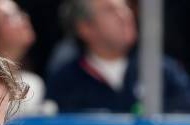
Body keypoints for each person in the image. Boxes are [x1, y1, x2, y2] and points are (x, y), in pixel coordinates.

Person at [46, 0, 190, 113]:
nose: (125, 15)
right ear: (85, 28)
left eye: (126, 6)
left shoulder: (163, 72)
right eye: (111, 10)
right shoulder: (64, 83)